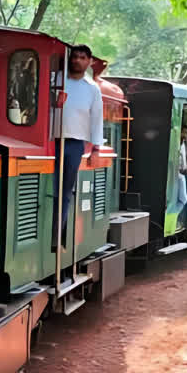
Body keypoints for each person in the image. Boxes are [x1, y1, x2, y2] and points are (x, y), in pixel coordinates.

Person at [52, 44, 103, 253]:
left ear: (89, 62)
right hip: (50, 141)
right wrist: (55, 103)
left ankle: (57, 237)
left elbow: (97, 118)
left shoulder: (92, 88)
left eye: (82, 58)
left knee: (65, 191)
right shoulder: (55, 81)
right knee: (51, 189)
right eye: (74, 57)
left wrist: (96, 149)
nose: (77, 61)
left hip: (75, 144)